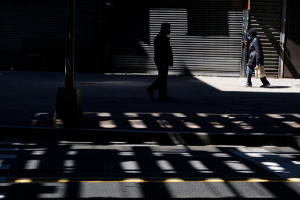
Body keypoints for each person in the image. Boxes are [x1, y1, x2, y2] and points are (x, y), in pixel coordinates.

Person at [147, 23, 173, 100]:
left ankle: (162, 95)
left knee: (163, 78)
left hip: (163, 60)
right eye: (168, 29)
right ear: (164, 29)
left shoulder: (162, 38)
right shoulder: (160, 38)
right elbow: (160, 51)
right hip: (162, 61)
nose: (170, 31)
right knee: (162, 78)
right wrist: (162, 62)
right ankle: (151, 88)